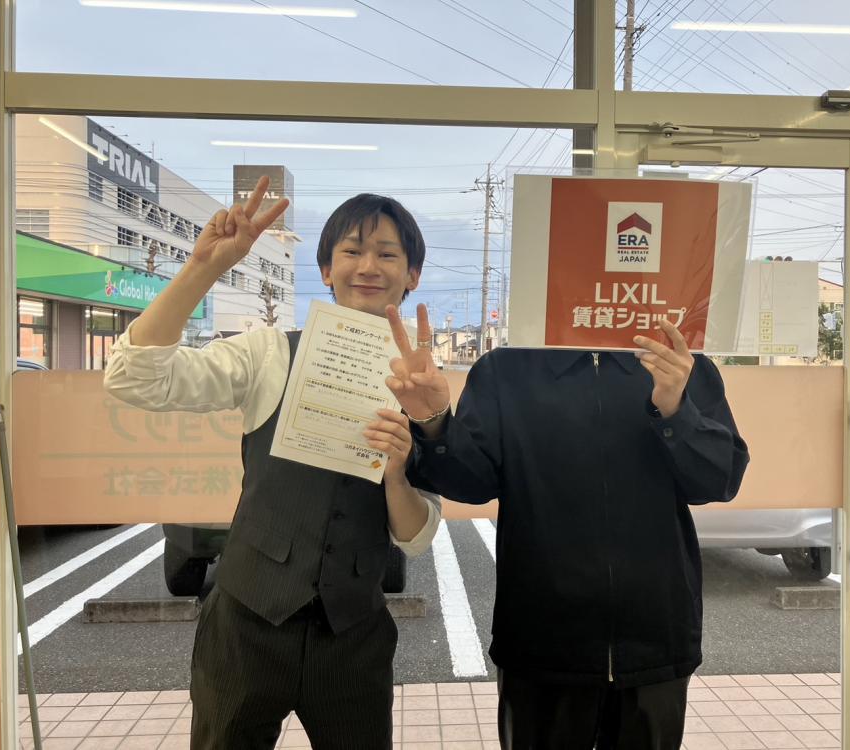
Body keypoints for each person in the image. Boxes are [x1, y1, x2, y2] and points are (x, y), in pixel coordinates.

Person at [103, 177, 441, 750]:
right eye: (352, 251)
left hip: (353, 637)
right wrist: (203, 268)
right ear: (326, 269)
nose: (368, 266)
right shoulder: (267, 353)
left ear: (412, 275)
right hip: (246, 627)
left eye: (388, 254)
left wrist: (396, 473)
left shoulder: (423, 385)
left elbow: (416, 535)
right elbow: (135, 379)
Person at [385, 305, 749, 750]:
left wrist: (676, 409)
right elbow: (472, 483)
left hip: (656, 636)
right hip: (541, 640)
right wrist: (434, 422)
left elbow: (718, 481)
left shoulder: (682, 365)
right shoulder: (507, 369)